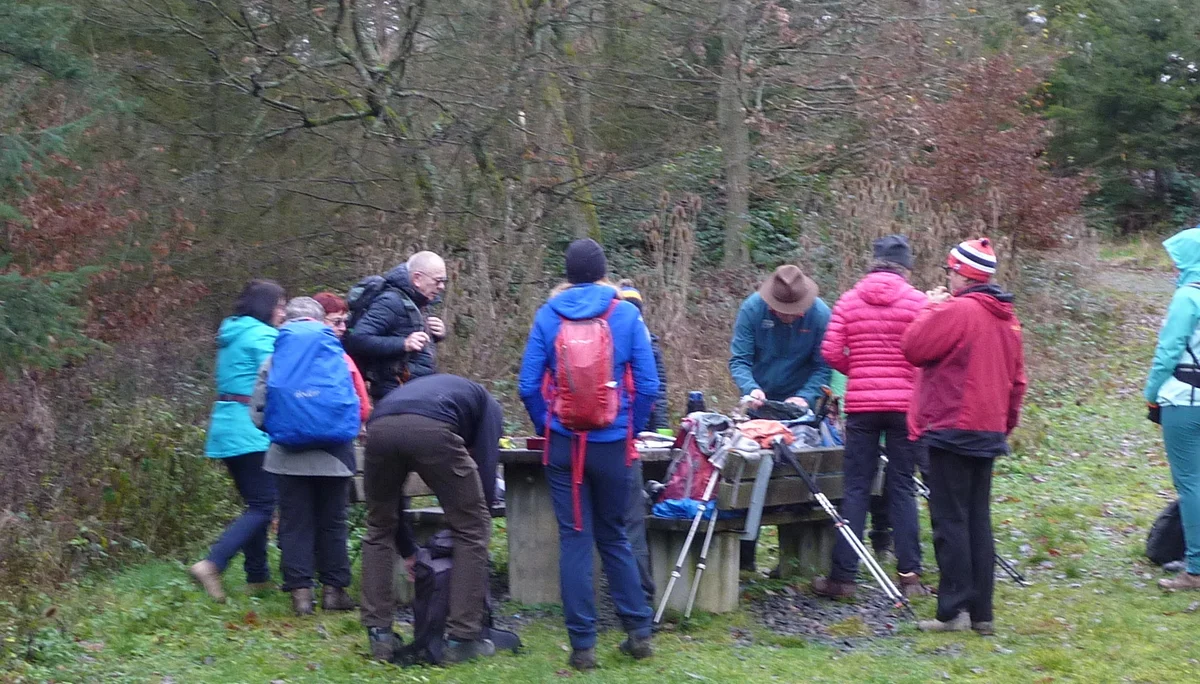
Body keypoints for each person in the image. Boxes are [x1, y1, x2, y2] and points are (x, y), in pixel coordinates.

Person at [518, 239, 659, 671]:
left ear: (568, 273)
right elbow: (649, 386)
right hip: (613, 445)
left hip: (565, 444)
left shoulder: (548, 314)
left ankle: (583, 647)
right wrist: (628, 431)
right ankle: (638, 632)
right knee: (615, 534)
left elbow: (527, 386)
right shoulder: (626, 313)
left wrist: (549, 426)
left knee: (575, 539)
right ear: (603, 273)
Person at [902, 237, 1026, 634]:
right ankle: (982, 614)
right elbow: (1018, 381)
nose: (948, 276)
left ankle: (952, 612)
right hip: (987, 430)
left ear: (962, 273)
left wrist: (930, 307)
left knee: (950, 522)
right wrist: (1003, 424)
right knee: (978, 521)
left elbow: (914, 347)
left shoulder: (957, 310)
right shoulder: (1007, 318)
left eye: (950, 270)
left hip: (952, 427)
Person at [813, 235, 929, 599]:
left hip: (862, 407)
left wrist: (859, 370)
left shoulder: (848, 301)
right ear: (905, 267)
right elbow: (928, 352)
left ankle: (843, 577)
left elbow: (830, 351)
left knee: (856, 489)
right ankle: (909, 577)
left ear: (873, 263)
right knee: (902, 487)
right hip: (905, 406)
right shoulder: (918, 302)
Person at [360, 374, 503, 665]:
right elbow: (487, 469)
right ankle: (461, 639)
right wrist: (478, 512)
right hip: (431, 427)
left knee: (378, 526)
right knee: (473, 527)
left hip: (379, 425)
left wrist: (409, 549)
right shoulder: (489, 406)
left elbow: (393, 499)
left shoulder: (444, 391)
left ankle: (379, 636)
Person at [250, 297, 371, 615]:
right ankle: (334, 592)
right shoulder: (340, 358)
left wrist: (284, 429)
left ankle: (301, 595)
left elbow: (258, 414)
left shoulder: (275, 360)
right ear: (320, 322)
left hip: (287, 457)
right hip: (335, 455)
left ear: (286, 323)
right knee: (333, 523)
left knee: (294, 524)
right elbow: (360, 407)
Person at [729, 264, 832, 570]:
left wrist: (806, 395)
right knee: (751, 475)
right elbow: (739, 360)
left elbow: (823, 366)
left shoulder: (820, 315)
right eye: (782, 310)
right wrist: (751, 389)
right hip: (760, 406)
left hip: (800, 408)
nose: (789, 315)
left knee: (797, 475)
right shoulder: (751, 310)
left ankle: (792, 560)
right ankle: (746, 556)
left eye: (794, 310)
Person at [190, 279, 286, 602]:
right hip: (251, 429)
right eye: (280, 306)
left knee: (256, 503)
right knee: (264, 504)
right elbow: (284, 374)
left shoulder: (233, 334)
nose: (283, 313)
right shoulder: (263, 336)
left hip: (227, 427)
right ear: (267, 307)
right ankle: (213, 563)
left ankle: (257, 578)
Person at [1144, 226, 1200, 591]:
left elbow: (1167, 353)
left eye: (1177, 260)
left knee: (1191, 484)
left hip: (1184, 399)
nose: (1173, 268)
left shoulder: (1187, 297)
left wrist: (1151, 393)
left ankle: (1194, 569)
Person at [614, 280, 664, 605]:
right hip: (626, 439)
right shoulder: (643, 341)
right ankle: (639, 601)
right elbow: (653, 391)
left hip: (611, 436)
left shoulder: (622, 337)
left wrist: (658, 431)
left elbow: (658, 394)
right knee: (630, 520)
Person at [343, 251, 448, 401]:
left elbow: (404, 332)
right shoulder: (390, 302)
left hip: (415, 390)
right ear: (417, 278)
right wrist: (403, 344)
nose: (442, 287)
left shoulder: (419, 300)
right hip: (395, 394)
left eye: (444, 281)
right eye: (438, 281)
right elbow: (358, 339)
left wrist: (437, 334)